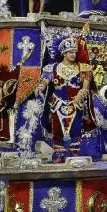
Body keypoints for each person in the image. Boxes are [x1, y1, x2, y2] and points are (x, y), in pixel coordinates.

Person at [40, 34, 94, 162]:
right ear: (64, 53)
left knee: (76, 130)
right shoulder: (52, 68)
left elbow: (85, 87)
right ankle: (58, 155)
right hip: (57, 105)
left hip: (76, 104)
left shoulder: (83, 68)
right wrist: (40, 87)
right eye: (71, 52)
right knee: (57, 131)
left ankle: (74, 155)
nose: (74, 55)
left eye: (75, 52)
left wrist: (80, 94)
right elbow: (45, 82)